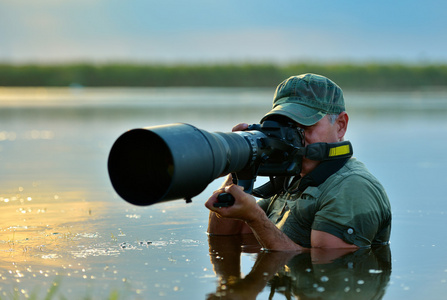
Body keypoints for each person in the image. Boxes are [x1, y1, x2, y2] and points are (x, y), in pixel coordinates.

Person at [205, 73, 391, 251]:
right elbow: (227, 239)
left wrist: (255, 218)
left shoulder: (352, 187)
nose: (293, 138)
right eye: (287, 127)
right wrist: (239, 161)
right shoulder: (291, 180)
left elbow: (324, 267)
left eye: (306, 126)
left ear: (341, 125)